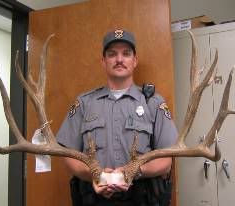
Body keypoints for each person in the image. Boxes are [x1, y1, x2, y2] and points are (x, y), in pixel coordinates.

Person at [57, 29, 178, 206]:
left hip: (141, 198)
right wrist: (95, 175)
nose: (119, 59)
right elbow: (68, 155)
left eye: (126, 54)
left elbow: (166, 160)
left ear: (135, 60)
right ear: (103, 61)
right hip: (94, 199)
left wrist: (133, 171)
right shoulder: (84, 103)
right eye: (112, 54)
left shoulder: (153, 102)